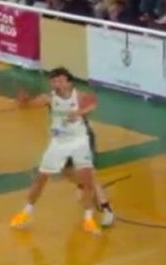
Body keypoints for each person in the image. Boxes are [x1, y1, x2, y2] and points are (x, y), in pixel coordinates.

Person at [9, 67, 101, 235]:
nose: (55, 84)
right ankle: (26, 212)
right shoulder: (49, 98)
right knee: (41, 178)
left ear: (68, 82)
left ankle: (88, 219)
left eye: (59, 80)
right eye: (53, 81)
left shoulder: (79, 96)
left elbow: (93, 102)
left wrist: (79, 112)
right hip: (59, 142)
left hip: (79, 141)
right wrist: (23, 101)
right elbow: (29, 105)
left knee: (87, 180)